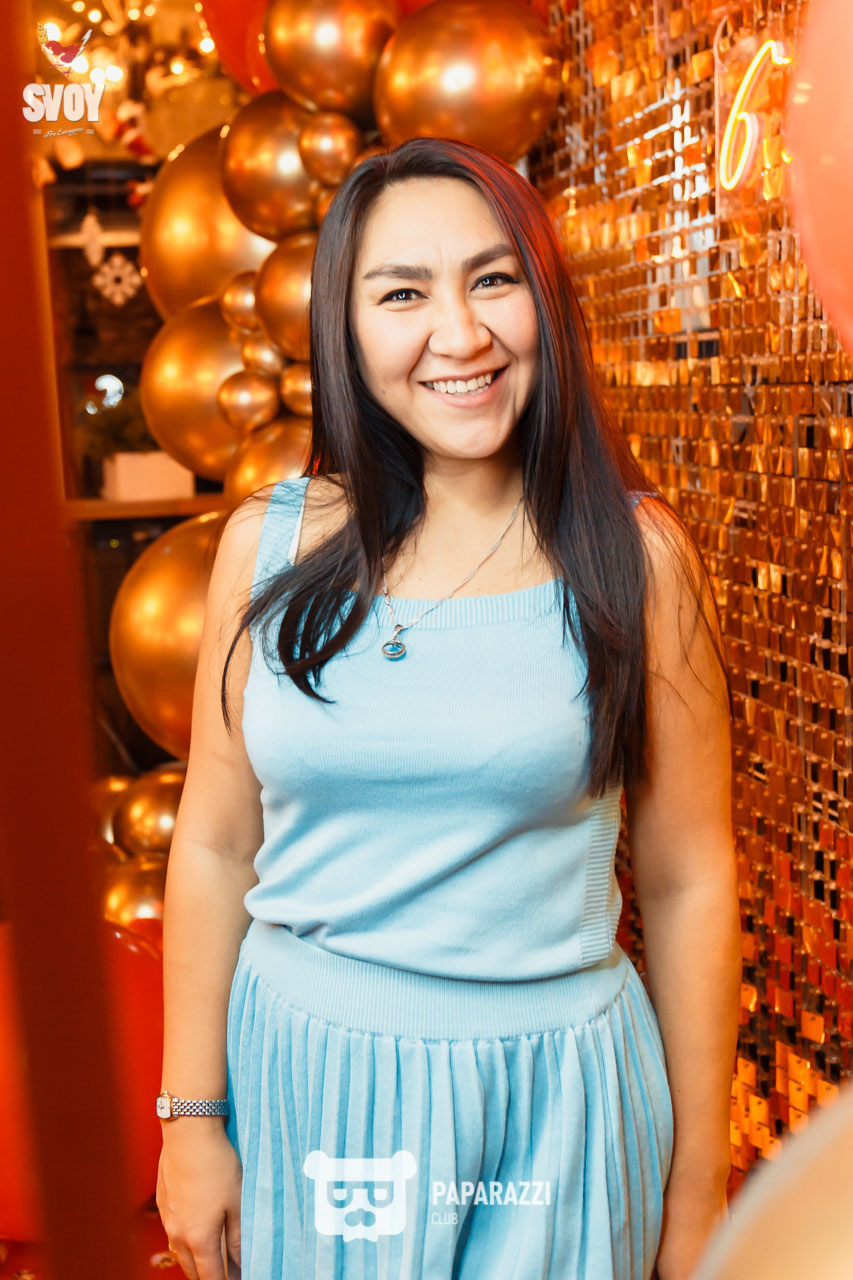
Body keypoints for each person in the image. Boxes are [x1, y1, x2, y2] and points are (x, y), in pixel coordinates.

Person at [155, 136, 742, 1280]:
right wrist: (191, 1118)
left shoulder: (638, 556)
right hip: (313, 1087)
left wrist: (697, 1183)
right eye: (402, 293)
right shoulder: (270, 542)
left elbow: (687, 880)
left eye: (493, 278)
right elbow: (216, 843)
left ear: (544, 300)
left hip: (559, 1101)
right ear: (345, 325)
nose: (460, 334)